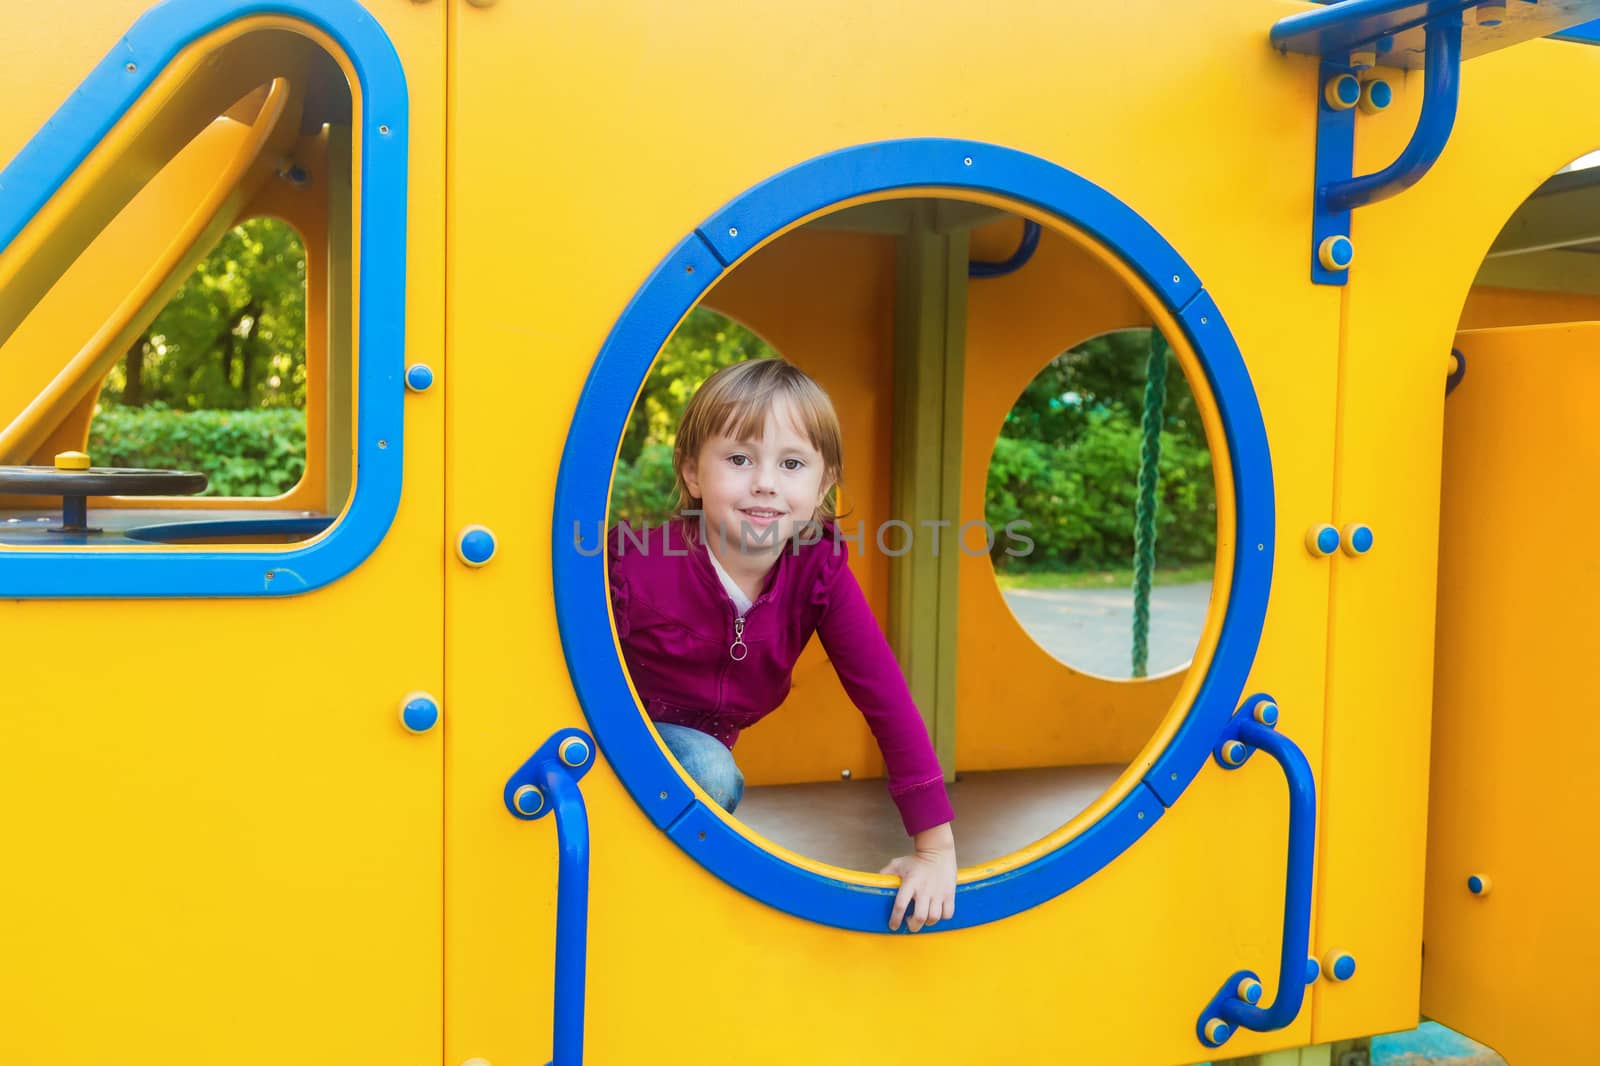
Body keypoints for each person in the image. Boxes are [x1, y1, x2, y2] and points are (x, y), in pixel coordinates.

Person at [606, 357, 957, 932]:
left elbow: (885, 698)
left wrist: (935, 852)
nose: (765, 481)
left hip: (692, 759)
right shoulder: (635, 563)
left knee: (705, 767)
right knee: (708, 769)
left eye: (791, 463)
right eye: (739, 459)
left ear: (822, 485)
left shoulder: (816, 570)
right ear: (693, 473)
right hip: (599, 736)